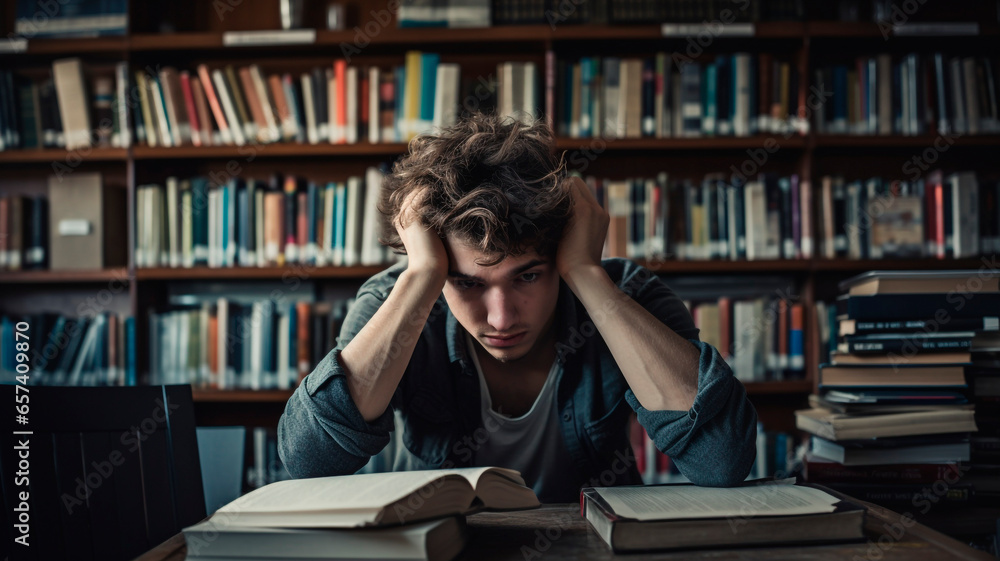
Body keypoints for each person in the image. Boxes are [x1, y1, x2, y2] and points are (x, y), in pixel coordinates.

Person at [277, 111, 757, 503]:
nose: (501, 318)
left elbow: (723, 460)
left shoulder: (624, 294)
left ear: (562, 254)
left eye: (527, 275)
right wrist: (422, 278)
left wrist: (587, 277)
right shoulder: (395, 300)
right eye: (466, 282)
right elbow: (308, 461)